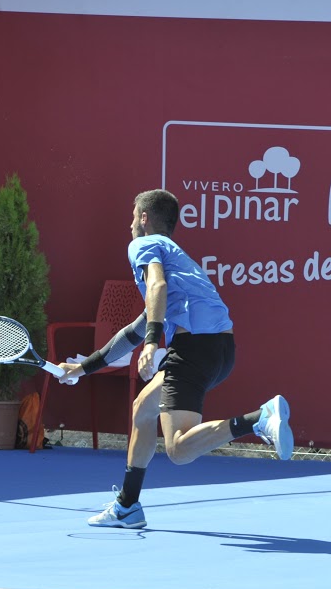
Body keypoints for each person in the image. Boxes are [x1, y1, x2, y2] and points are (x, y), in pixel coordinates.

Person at [57, 189, 292, 529]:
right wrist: (83, 367)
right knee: (143, 409)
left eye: (132, 217)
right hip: (220, 350)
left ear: (143, 218)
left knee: (179, 451)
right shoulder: (179, 259)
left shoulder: (144, 244)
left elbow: (156, 288)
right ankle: (127, 504)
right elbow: (135, 330)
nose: (129, 225)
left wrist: (153, 344)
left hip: (193, 349)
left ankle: (258, 419)